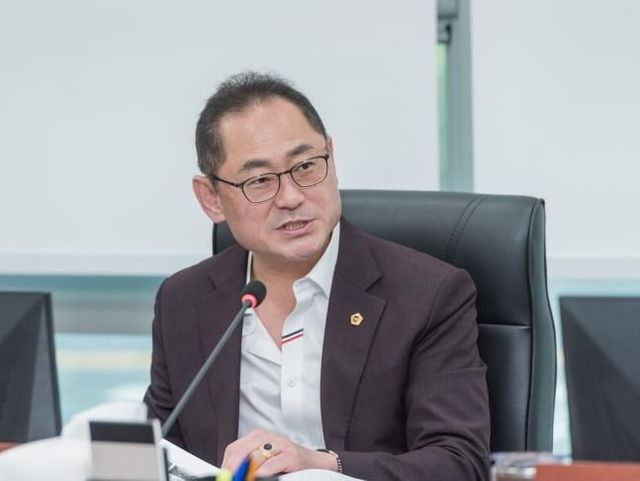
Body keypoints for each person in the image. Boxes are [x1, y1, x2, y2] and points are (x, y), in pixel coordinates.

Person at [143, 72, 490, 481]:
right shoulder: (183, 301)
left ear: (332, 158)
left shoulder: (428, 295)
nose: (291, 197)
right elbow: (157, 453)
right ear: (211, 198)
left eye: (306, 166)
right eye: (260, 181)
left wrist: (321, 463)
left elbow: (459, 463)